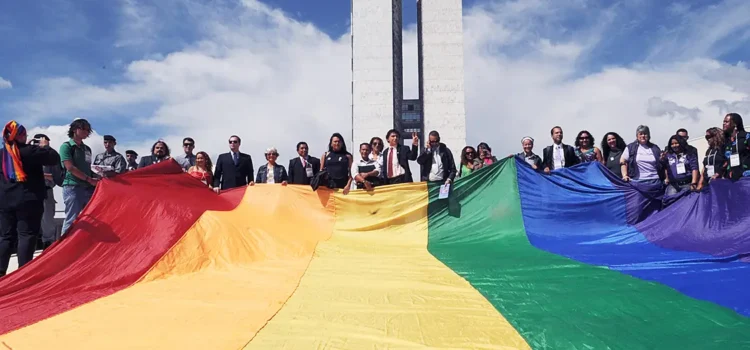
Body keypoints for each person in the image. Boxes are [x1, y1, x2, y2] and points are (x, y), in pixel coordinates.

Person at [0, 121, 61, 276]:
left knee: (6, 236)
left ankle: (0, 272)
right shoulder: (30, 151)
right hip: (29, 200)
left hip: (5, 201)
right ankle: (23, 273)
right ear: (19, 135)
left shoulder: (1, 154)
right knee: (26, 235)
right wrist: (45, 145)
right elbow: (54, 158)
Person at [60, 118, 97, 236]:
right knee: (71, 219)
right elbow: (70, 167)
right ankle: (63, 248)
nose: (87, 132)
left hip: (87, 188)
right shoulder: (66, 146)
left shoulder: (87, 149)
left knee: (92, 218)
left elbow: (88, 167)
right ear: (75, 130)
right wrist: (89, 179)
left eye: (88, 130)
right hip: (72, 187)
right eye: (84, 129)